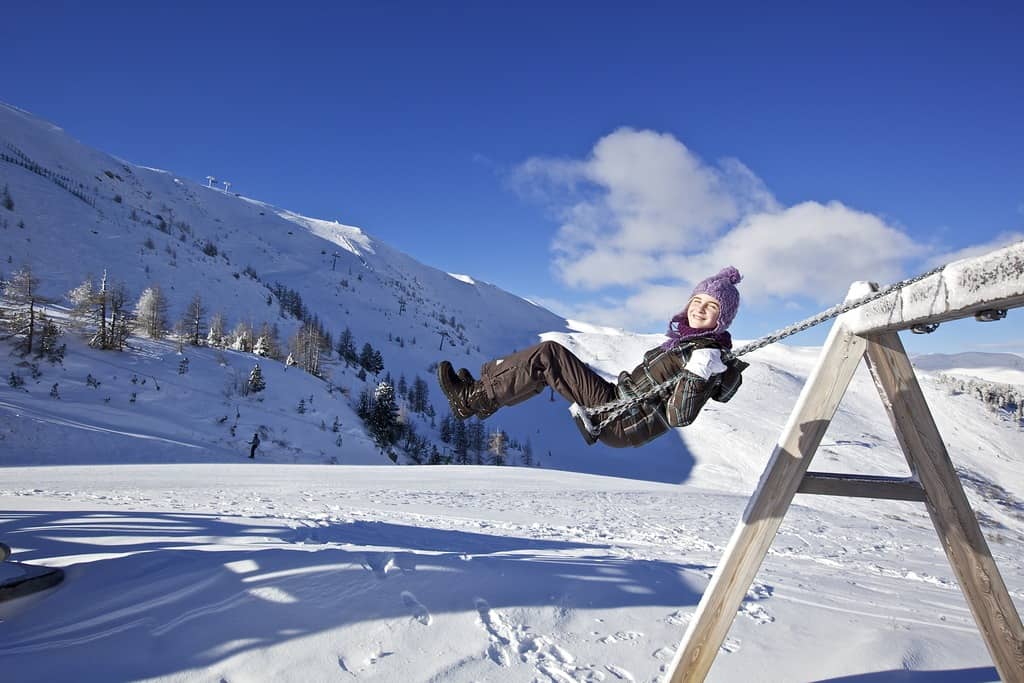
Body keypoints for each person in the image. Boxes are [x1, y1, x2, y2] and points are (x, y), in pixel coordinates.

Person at [437, 267, 747, 448]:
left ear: (723, 317)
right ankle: (480, 397)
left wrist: (698, 374)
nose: (700, 309)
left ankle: (473, 399)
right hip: (618, 401)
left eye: (712, 306)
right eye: (697, 300)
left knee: (549, 355)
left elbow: (680, 416)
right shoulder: (686, 343)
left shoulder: (706, 357)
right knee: (549, 365)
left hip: (623, 420)